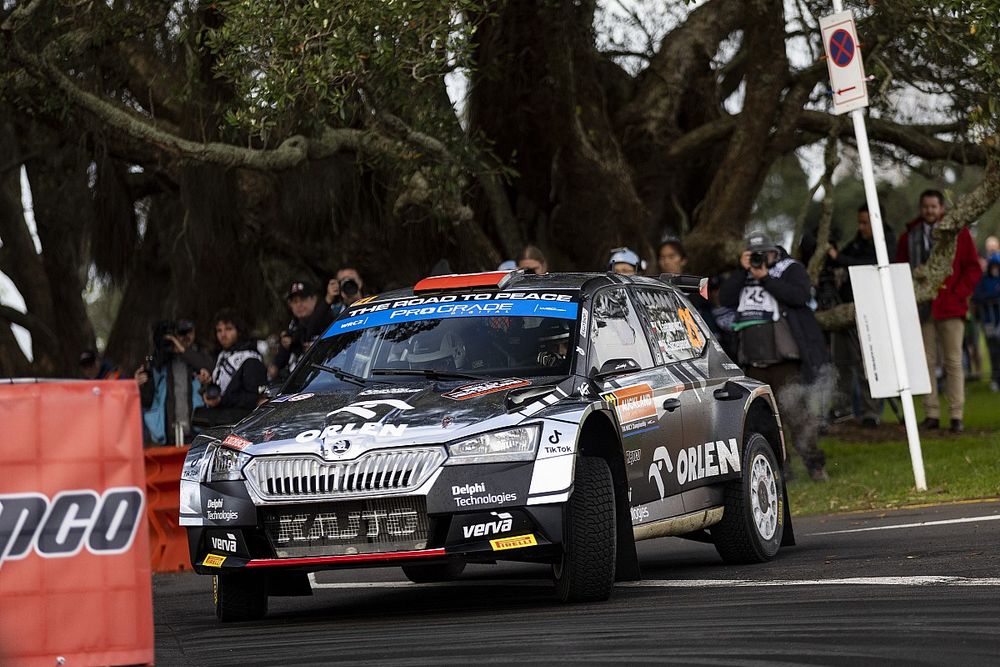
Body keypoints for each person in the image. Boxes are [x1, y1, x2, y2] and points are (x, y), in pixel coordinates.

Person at [719, 231, 830, 482]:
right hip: (753, 362)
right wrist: (742, 271)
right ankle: (780, 470)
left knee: (797, 415)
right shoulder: (743, 276)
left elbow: (800, 296)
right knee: (764, 420)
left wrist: (766, 278)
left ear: (774, 252)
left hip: (784, 359)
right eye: (754, 256)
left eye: (764, 254)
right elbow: (724, 298)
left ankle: (815, 466)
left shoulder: (790, 269)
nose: (760, 259)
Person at [895, 189, 982, 433]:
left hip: (951, 307)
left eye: (934, 207)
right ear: (921, 208)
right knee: (926, 362)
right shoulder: (909, 237)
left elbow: (973, 268)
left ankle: (956, 415)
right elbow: (900, 268)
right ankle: (931, 413)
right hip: (921, 307)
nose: (930, 211)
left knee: (953, 361)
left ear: (941, 208)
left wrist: (957, 293)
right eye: (926, 207)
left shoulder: (959, 233)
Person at [825, 204, 893, 428]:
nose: (861, 227)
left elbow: (868, 264)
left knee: (868, 364)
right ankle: (842, 410)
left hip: (870, 310)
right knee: (842, 363)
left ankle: (870, 412)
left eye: (865, 223)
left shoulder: (886, 241)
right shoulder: (857, 241)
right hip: (846, 309)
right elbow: (842, 257)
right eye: (860, 222)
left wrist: (839, 257)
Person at [135, 319, 207, 445]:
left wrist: (182, 350)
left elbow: (208, 368)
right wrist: (138, 384)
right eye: (181, 333)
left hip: (197, 429)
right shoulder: (159, 361)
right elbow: (147, 399)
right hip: (166, 431)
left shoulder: (199, 356)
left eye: (188, 332)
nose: (185, 337)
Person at [194, 309, 266, 427]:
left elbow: (254, 398)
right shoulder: (222, 355)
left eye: (228, 329)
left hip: (242, 427)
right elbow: (222, 389)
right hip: (220, 424)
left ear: (239, 330)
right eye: (219, 330)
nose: (223, 335)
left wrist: (222, 400)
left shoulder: (250, 359)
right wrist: (207, 385)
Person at [269, 280, 336, 380]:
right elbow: (278, 363)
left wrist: (327, 300)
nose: (299, 304)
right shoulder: (292, 325)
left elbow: (312, 326)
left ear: (314, 299)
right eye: (295, 301)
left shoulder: (327, 316)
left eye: (303, 299)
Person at [972, 252, 1000, 392]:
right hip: (989, 320)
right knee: (993, 350)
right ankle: (995, 378)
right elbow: (978, 296)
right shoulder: (983, 280)